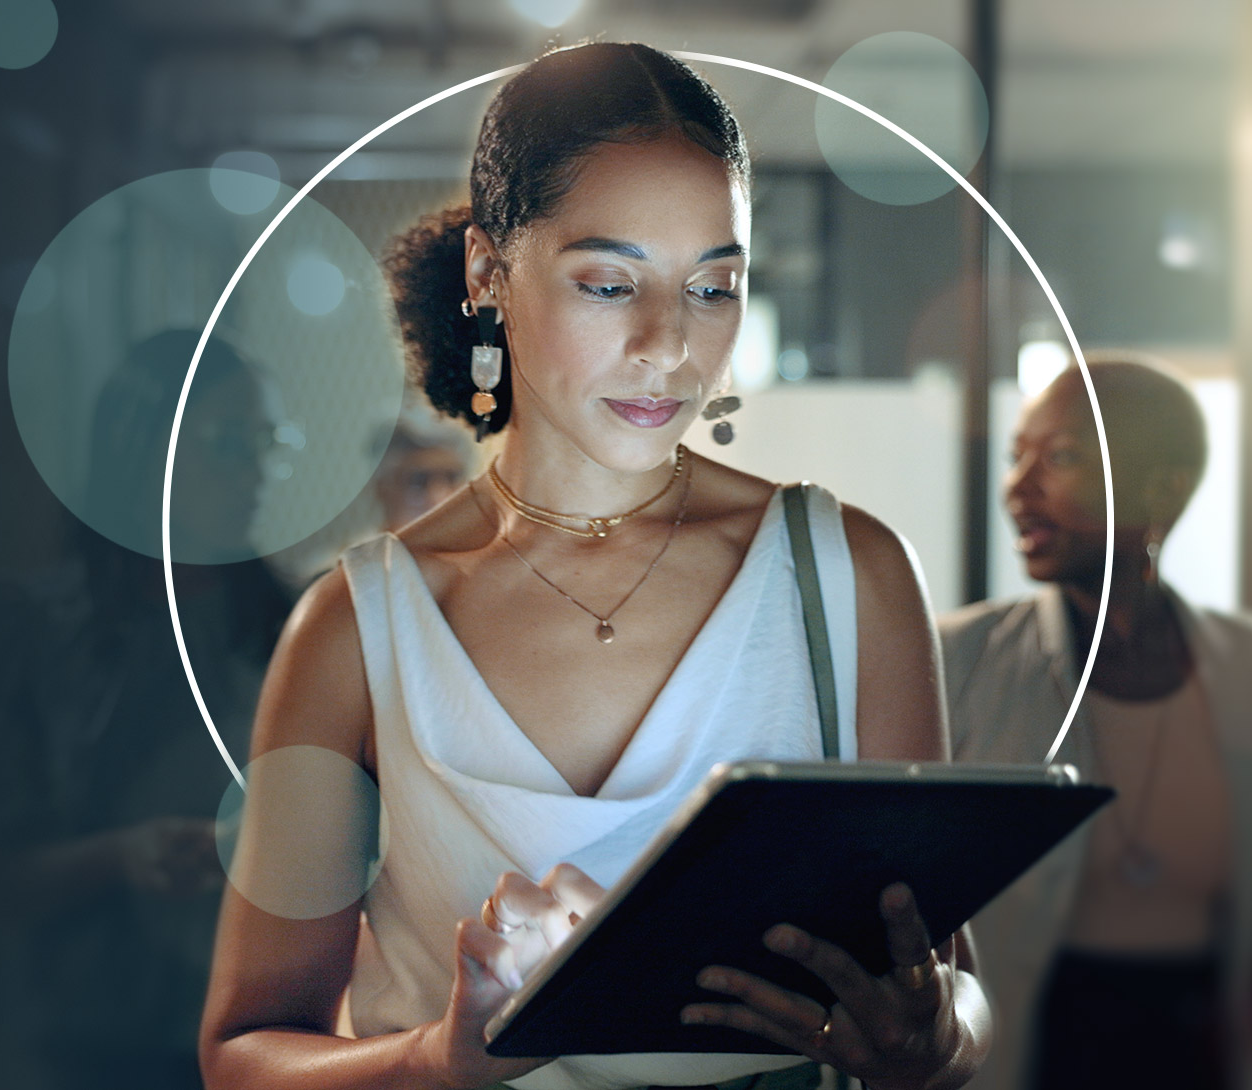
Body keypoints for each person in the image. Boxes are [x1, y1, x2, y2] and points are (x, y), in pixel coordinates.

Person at [200, 42, 989, 1090]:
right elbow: (243, 1053)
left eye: (712, 287)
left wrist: (934, 1041)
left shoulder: (848, 575)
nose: (668, 344)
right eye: (610, 283)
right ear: (488, 272)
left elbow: (950, 978)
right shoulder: (358, 626)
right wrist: (438, 1061)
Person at [0, 332, 294, 1090]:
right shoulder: (25, 633)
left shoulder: (297, 627)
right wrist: (118, 857)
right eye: (229, 444)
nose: (258, 470)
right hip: (74, 1045)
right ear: (148, 452)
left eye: (264, 441)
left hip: (262, 1037)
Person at [939, 356, 1252, 1089]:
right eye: (1017, 455)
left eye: (1062, 457)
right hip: (1030, 1051)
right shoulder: (958, 660)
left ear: (1164, 486)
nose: (1017, 487)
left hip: (1202, 1050)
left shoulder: (1240, 668)